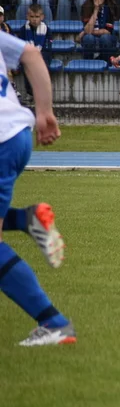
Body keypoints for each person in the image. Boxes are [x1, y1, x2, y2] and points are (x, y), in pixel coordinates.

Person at [0, 21, 70, 344]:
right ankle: (29, 219)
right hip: (17, 136)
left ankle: (54, 322)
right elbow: (30, 53)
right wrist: (44, 112)